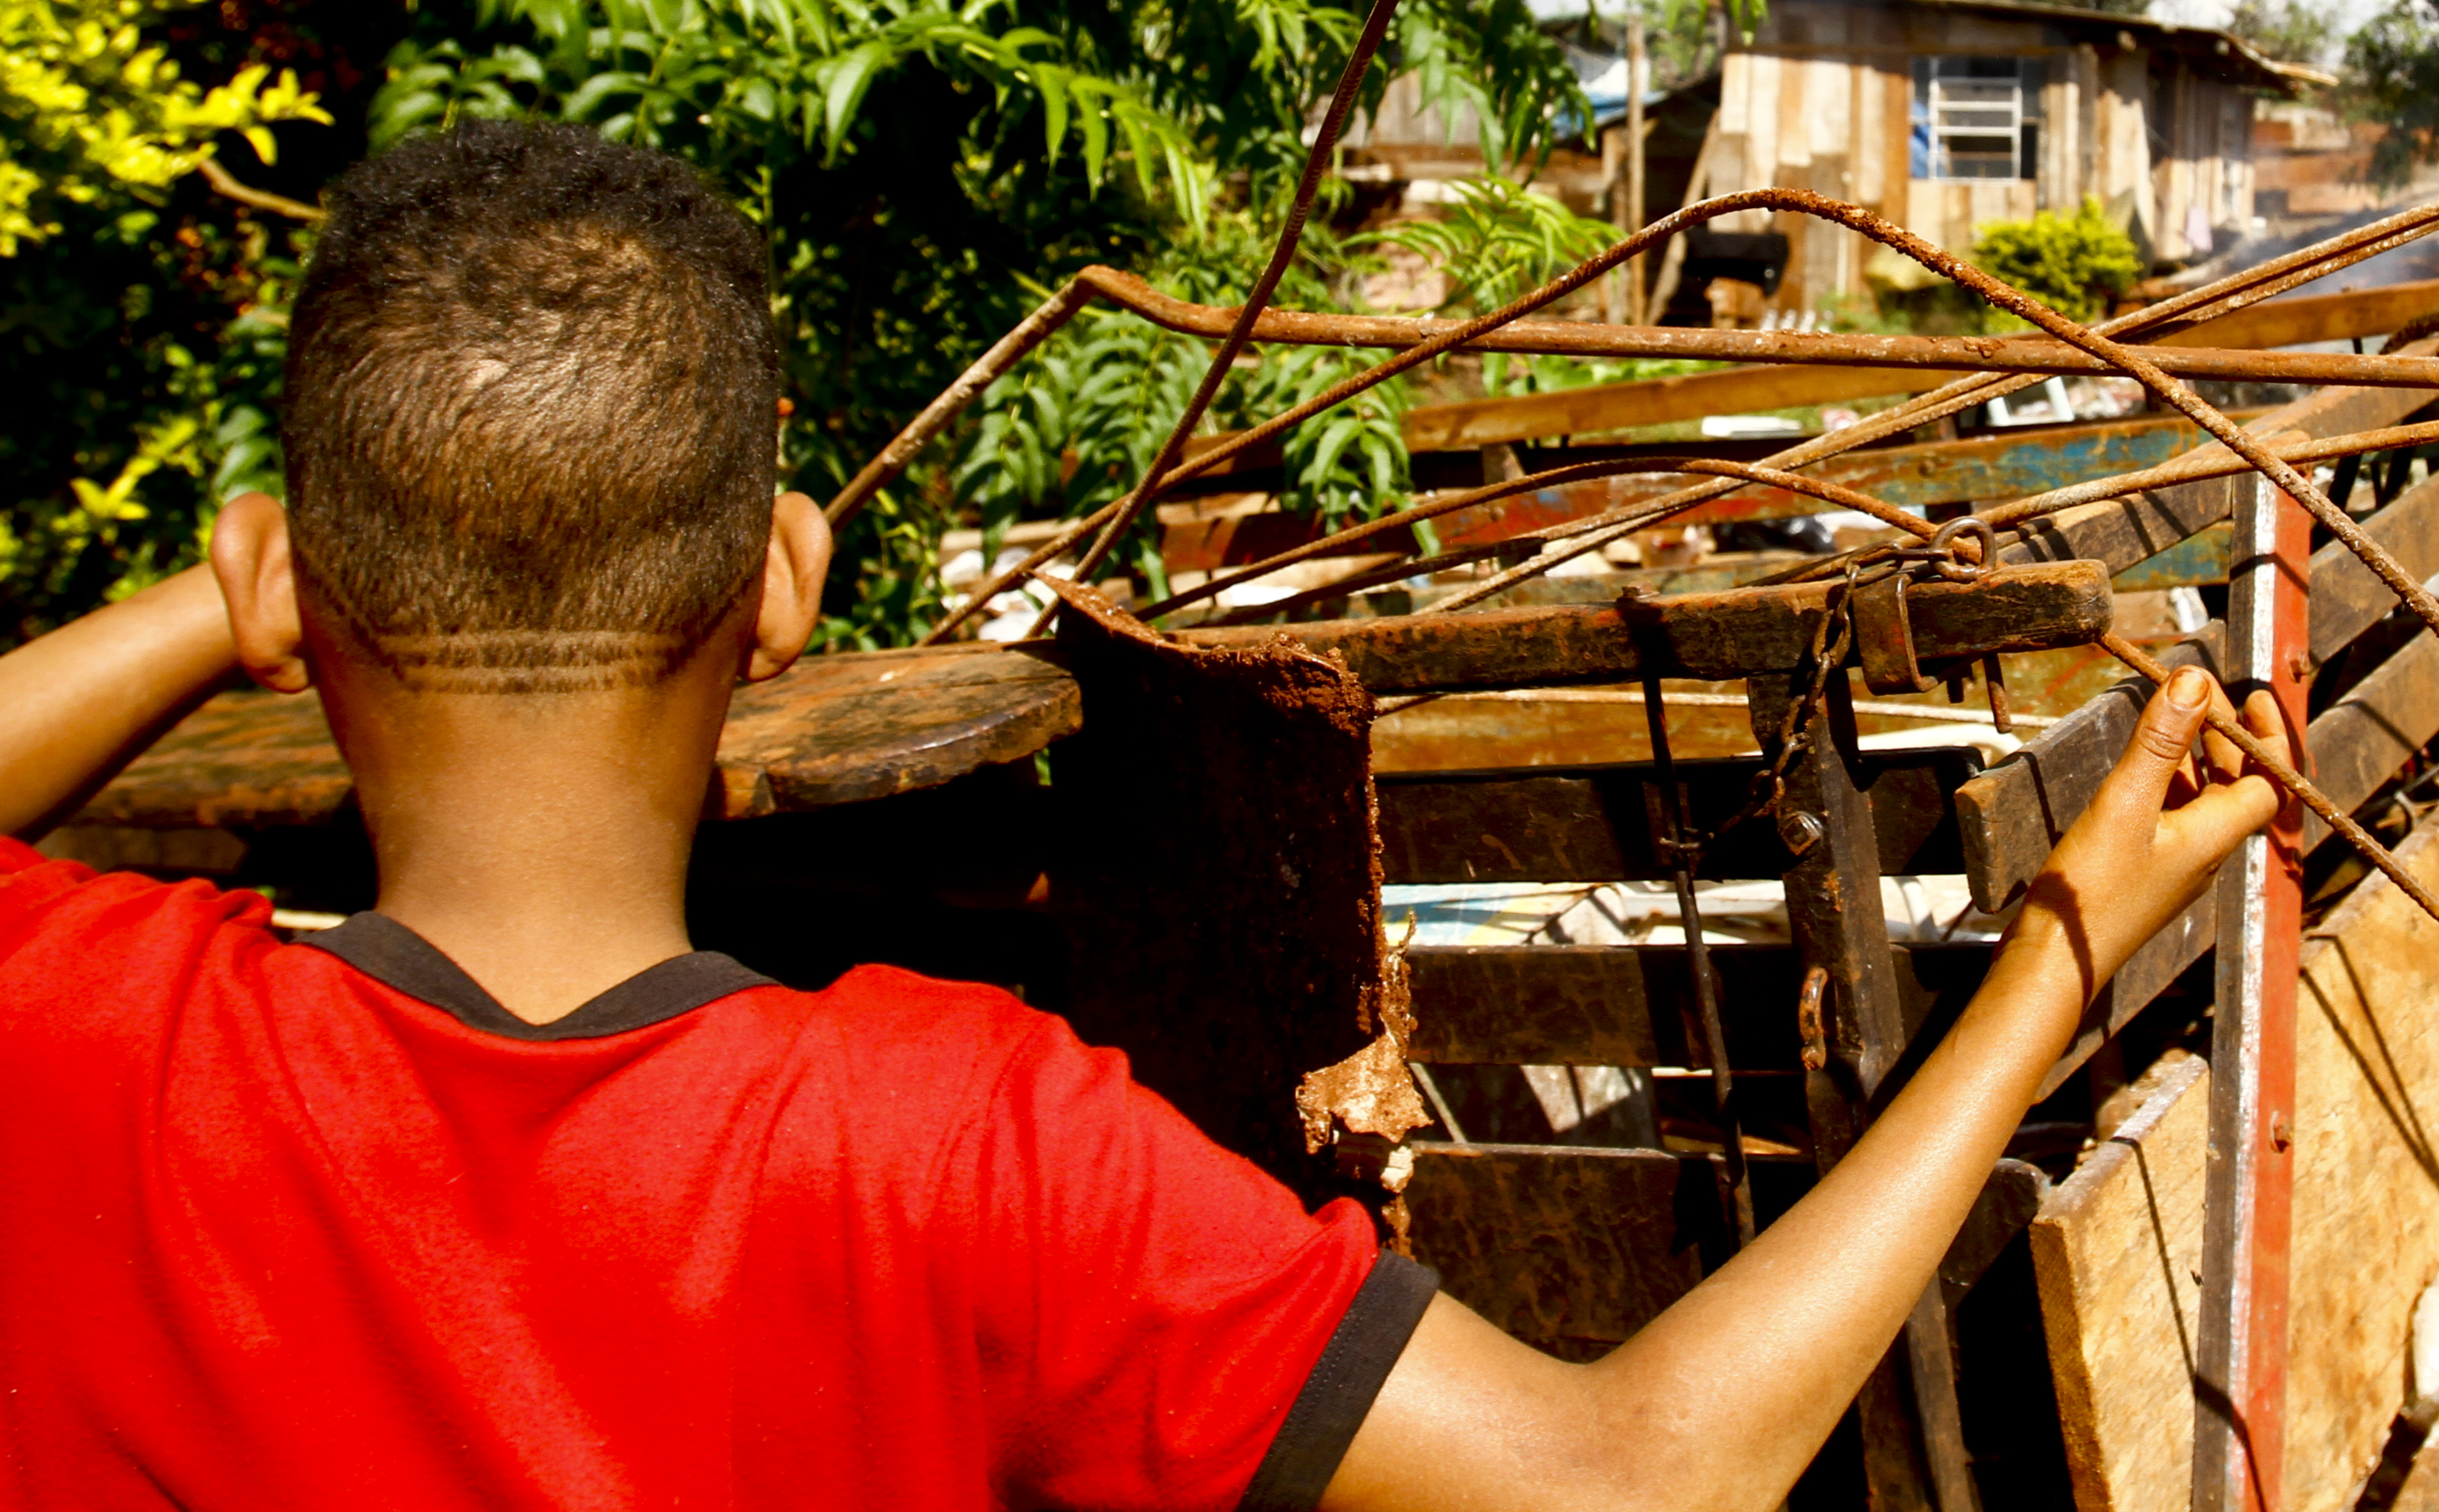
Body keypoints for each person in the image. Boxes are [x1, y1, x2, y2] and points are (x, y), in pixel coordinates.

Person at [0, 120, 2290, 1512]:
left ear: (295, 573)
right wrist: (2066, 941)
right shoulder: (963, 1152)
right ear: (781, 581)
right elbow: (1638, 1471)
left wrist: (216, 614)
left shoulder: (77, 1054)